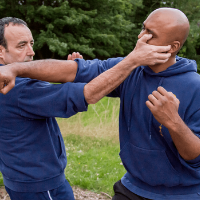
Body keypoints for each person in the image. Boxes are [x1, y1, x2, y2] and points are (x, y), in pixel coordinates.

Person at [0, 17, 171, 200]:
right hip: (39, 185)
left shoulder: (11, 82)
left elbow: (45, 98)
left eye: (31, 43)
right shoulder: (17, 89)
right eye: (21, 45)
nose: (31, 52)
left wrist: (73, 74)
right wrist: (133, 60)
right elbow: (87, 94)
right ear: (1, 51)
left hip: (22, 179)